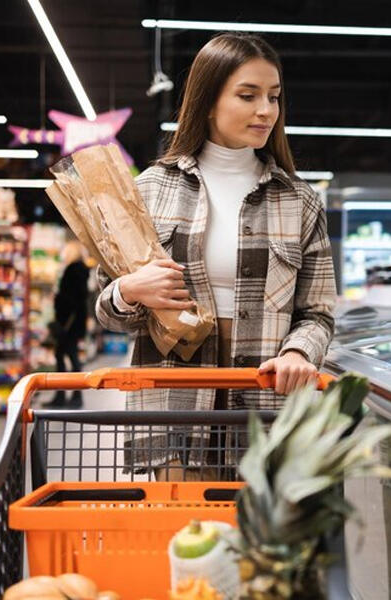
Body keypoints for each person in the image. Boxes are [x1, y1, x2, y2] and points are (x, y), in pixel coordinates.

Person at [95, 33, 337, 478]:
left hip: (266, 406)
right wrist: (130, 290)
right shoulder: (151, 189)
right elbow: (108, 311)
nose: (266, 110)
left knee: (258, 543)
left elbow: (318, 312)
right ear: (208, 101)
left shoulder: (298, 200)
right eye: (248, 95)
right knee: (186, 539)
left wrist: (299, 354)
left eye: (273, 97)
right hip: (173, 405)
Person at [46, 240, 90, 408]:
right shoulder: (82, 270)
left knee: (64, 356)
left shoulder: (73, 270)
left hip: (68, 323)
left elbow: (71, 298)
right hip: (75, 322)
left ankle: (67, 396)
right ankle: (69, 395)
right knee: (69, 356)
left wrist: (57, 298)